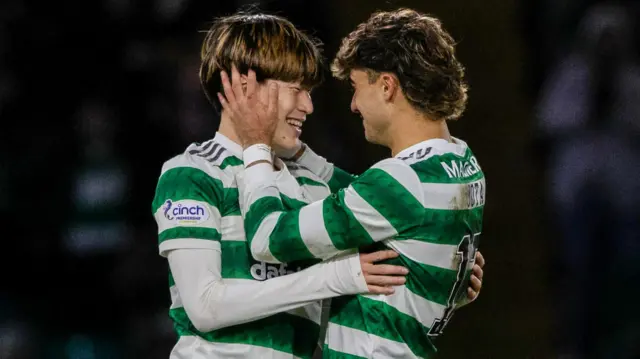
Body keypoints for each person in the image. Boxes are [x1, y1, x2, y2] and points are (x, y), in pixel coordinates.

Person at [219, 8, 485, 358]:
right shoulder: (462, 162)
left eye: (357, 88)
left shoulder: (400, 184)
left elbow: (269, 238)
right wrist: (300, 154)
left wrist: (255, 148)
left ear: (387, 86)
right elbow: (368, 200)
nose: (354, 105)